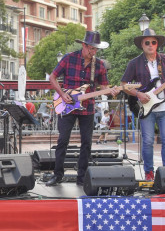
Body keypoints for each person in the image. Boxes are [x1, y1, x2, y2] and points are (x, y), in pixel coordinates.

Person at [47, 31, 119, 186]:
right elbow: (52, 77)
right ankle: (57, 175)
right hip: (67, 105)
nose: (93, 52)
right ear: (84, 45)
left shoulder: (99, 64)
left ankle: (82, 177)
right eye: (91, 49)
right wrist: (62, 93)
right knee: (62, 140)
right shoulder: (69, 58)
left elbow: (104, 86)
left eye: (96, 50)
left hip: (88, 107)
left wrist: (111, 90)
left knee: (87, 143)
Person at [121, 28, 165, 181]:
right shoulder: (134, 63)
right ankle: (149, 173)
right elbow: (124, 84)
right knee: (147, 142)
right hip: (147, 109)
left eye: (153, 42)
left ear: (157, 44)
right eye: (147, 42)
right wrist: (138, 94)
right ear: (142, 45)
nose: (150, 45)